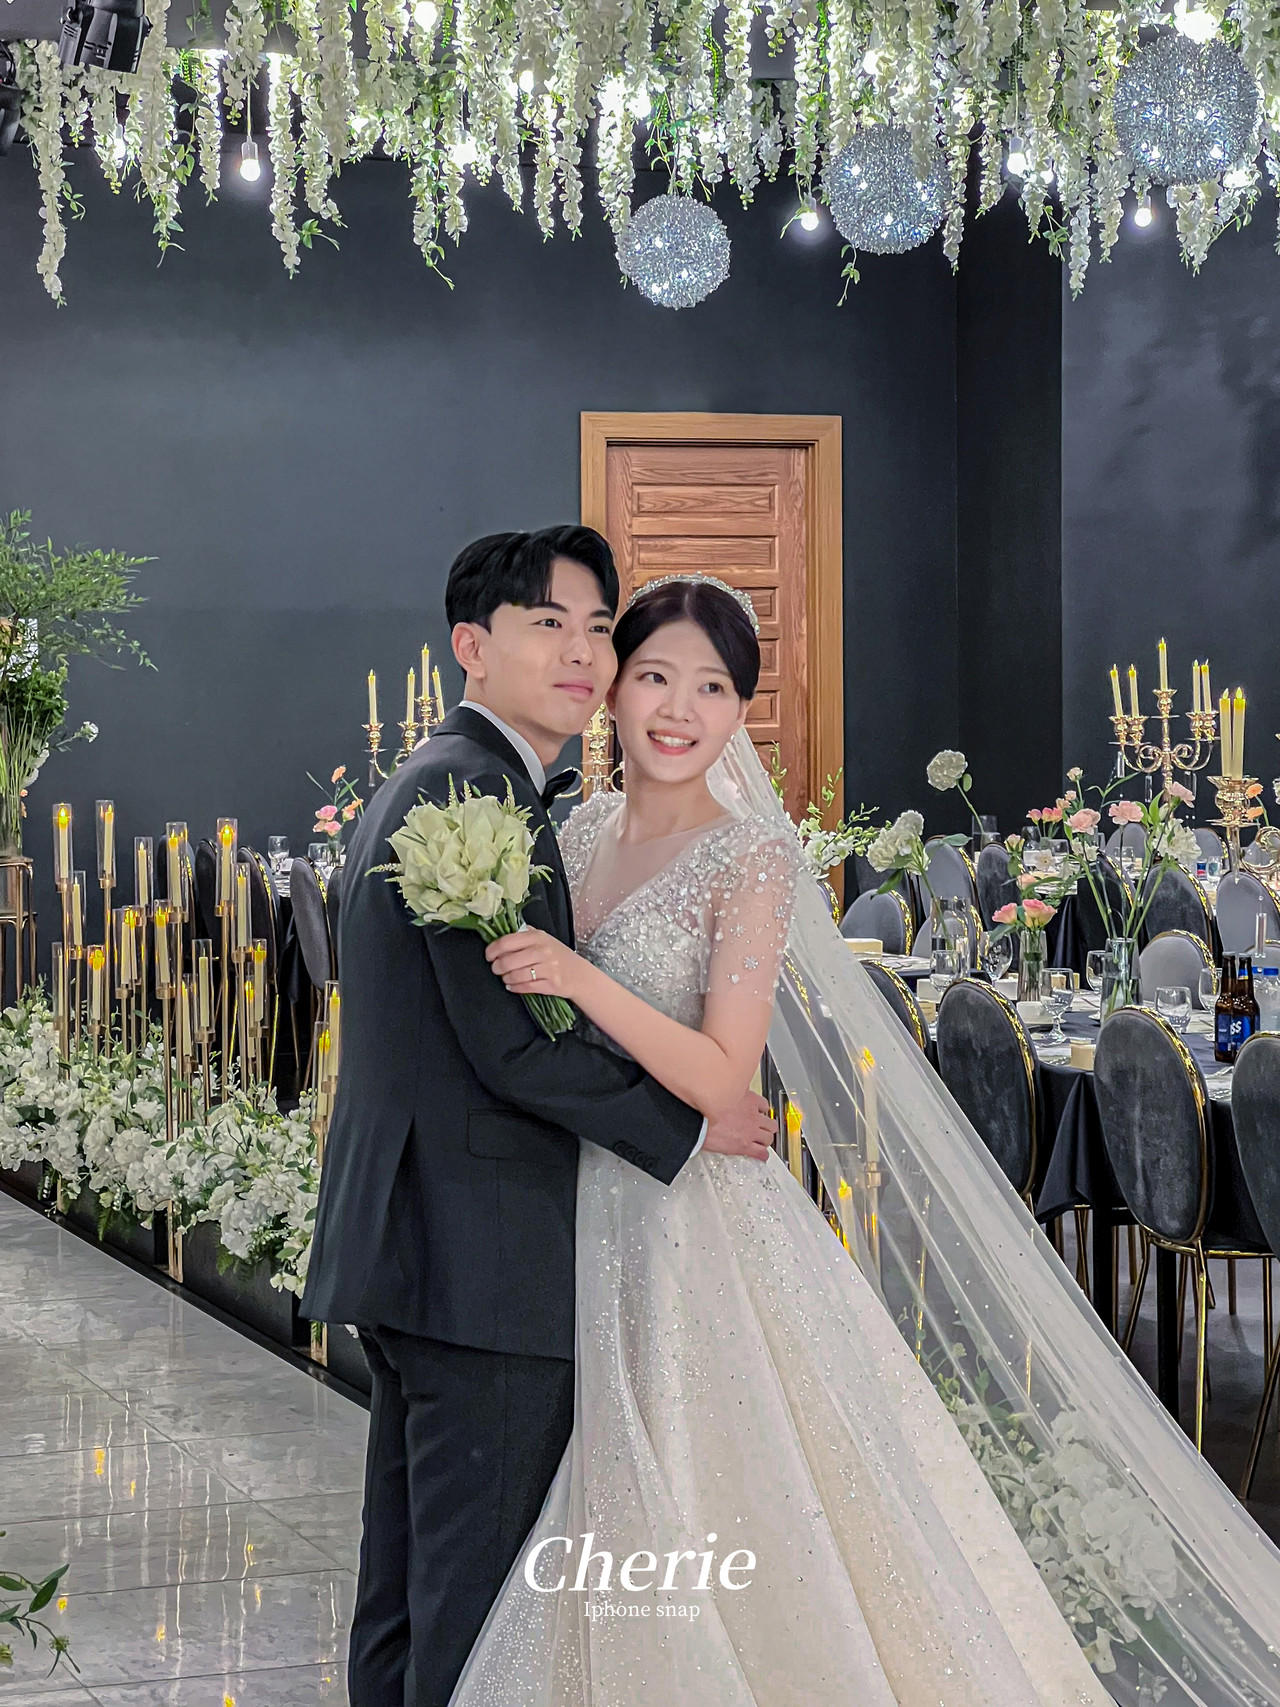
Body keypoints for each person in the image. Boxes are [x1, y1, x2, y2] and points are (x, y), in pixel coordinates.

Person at [461, 573, 1112, 1706]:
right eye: (655, 677)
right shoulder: (577, 828)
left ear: (739, 710)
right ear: (613, 689)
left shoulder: (751, 857)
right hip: (581, 1191)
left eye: (712, 688)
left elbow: (724, 1073)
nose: (679, 709)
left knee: (706, 1474)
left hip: (690, 1218)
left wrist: (576, 976)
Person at [300, 530, 775, 1707]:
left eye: (595, 628)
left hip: (435, 1241)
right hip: (482, 1251)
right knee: (474, 1613)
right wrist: (686, 1128)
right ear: (472, 645)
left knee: (411, 1587)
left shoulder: (463, 782)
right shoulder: (471, 792)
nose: (579, 653)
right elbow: (507, 1046)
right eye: (547, 624)